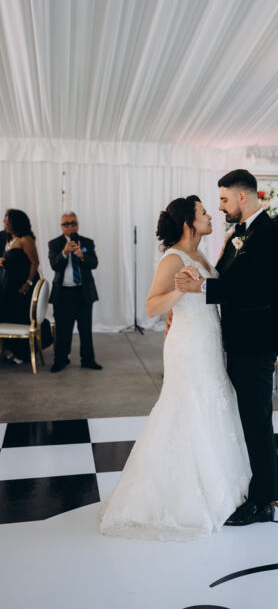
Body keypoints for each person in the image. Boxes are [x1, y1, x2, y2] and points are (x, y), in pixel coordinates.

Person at [100, 196, 251, 540]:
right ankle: (185, 495)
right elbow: (152, 306)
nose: (210, 216)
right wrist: (179, 294)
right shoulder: (173, 258)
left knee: (212, 403)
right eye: (203, 213)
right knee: (187, 407)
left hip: (209, 342)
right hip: (188, 345)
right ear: (187, 222)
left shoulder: (201, 255)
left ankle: (220, 485)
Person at [175, 169, 278, 526]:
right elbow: (229, 276)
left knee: (256, 419)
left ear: (243, 196)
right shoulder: (241, 233)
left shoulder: (270, 234)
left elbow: (260, 292)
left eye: (224, 199)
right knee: (252, 416)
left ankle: (263, 501)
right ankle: (275, 481)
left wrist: (202, 289)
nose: (221, 206)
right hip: (240, 340)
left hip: (256, 342)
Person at [48, 212, 102, 372]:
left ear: (77, 225)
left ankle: (88, 360)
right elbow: (54, 265)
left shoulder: (87, 242)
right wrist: (64, 253)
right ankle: (60, 360)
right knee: (62, 329)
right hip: (63, 293)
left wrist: (82, 255)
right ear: (61, 226)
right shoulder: (55, 243)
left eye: (73, 223)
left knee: (85, 329)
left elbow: (94, 263)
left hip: (83, 292)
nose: (70, 227)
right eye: (66, 224)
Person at [0, 209, 40, 363]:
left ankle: (21, 353)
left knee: (18, 316)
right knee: (7, 314)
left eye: (8, 221)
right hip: (9, 284)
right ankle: (9, 349)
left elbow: (35, 263)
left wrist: (28, 283)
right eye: (4, 221)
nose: (5, 224)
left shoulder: (25, 239)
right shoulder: (10, 239)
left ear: (16, 223)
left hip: (21, 285)